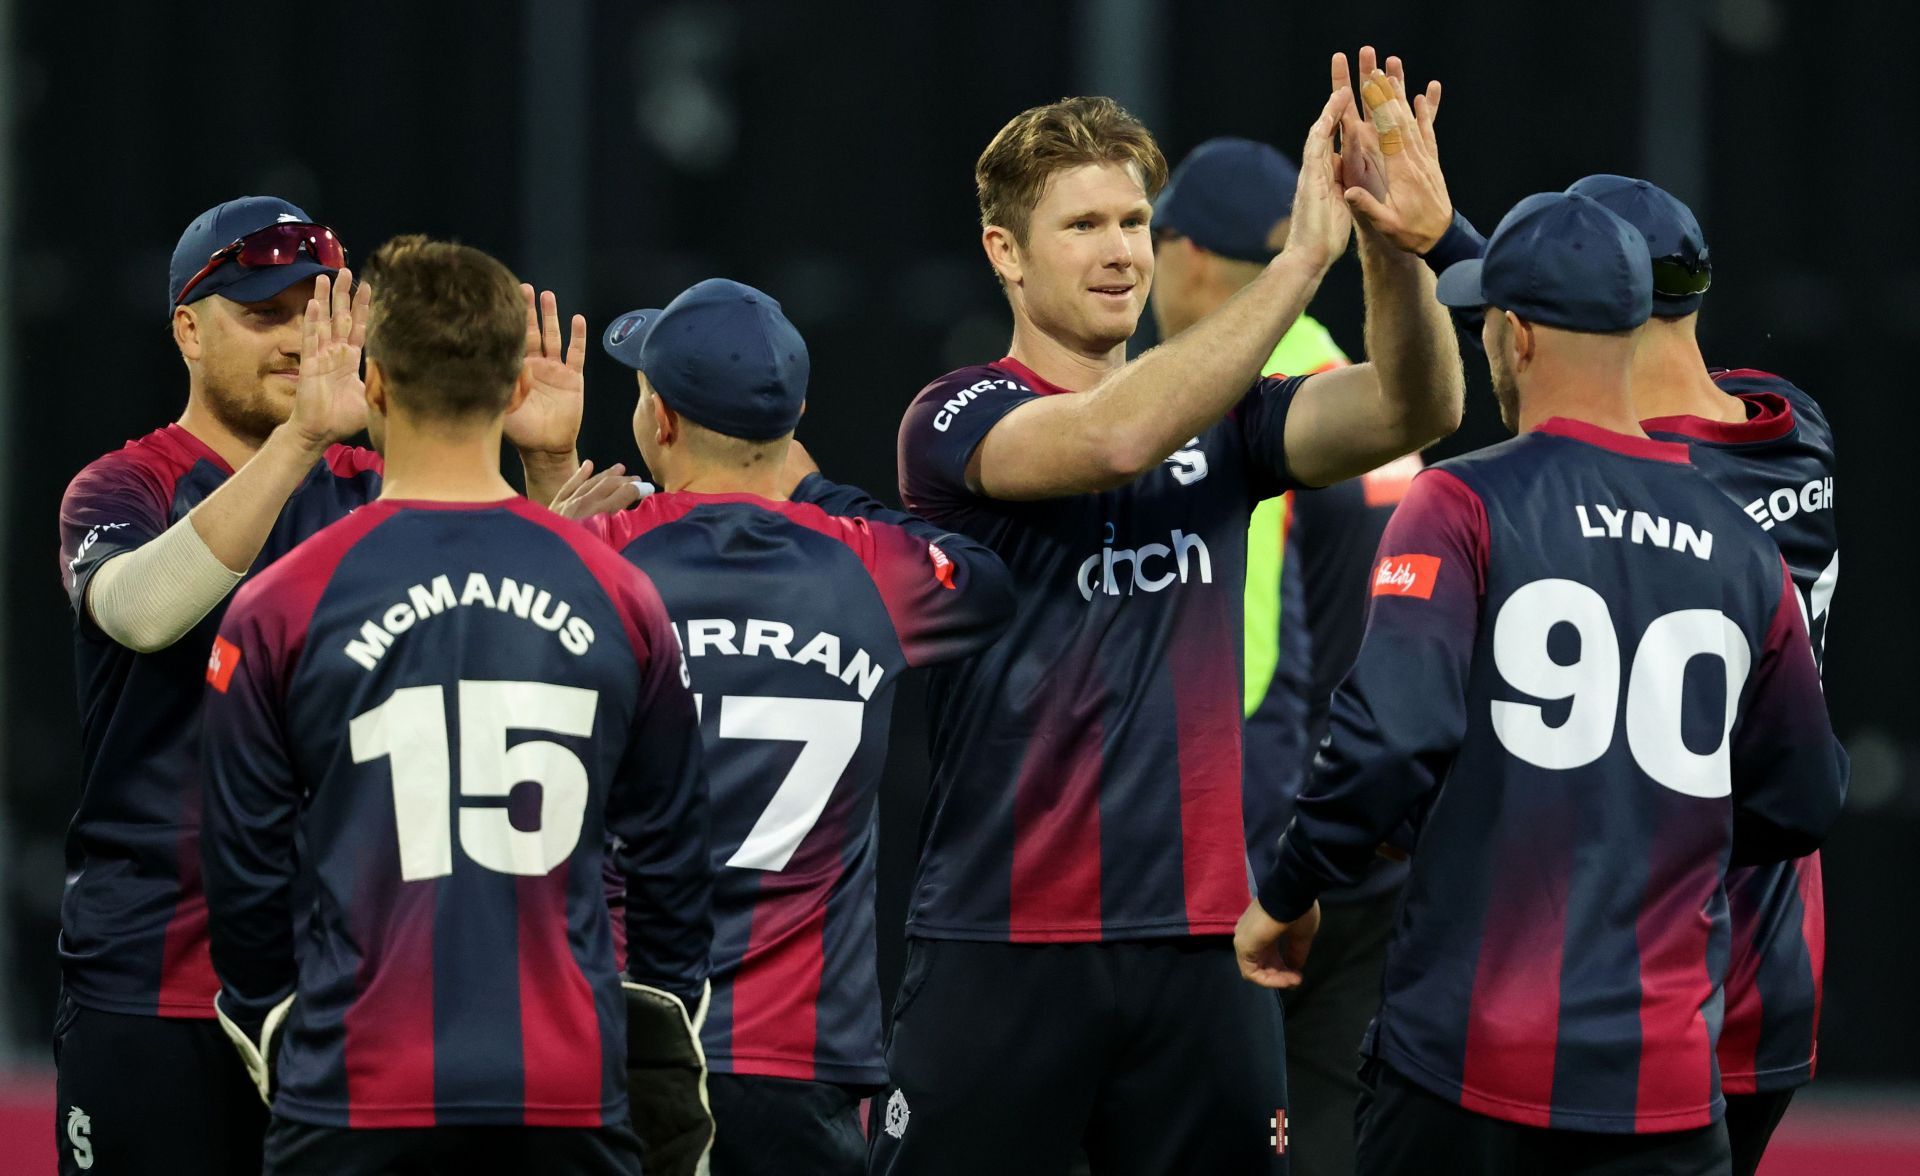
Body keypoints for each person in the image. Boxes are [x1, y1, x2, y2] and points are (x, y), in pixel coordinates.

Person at [872, 70, 1462, 1174]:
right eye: (1083, 225)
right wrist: (1297, 260)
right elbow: (1111, 440)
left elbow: (1416, 406)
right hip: (1004, 939)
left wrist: (1390, 245)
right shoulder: (956, 417)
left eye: (1136, 221)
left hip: (1202, 942)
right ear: (1005, 252)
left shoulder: (1227, 421)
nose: (1121, 251)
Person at [1233, 190, 1848, 1176]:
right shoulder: (1758, 514)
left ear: (1513, 335)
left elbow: (1388, 740)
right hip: (1676, 1058)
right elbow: (1807, 797)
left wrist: (1291, 883)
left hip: (1471, 1049)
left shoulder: (1465, 500)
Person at [52, 198, 589, 1175]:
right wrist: (297, 446)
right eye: (266, 312)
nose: (303, 336)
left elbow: (556, 629)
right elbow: (139, 613)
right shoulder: (124, 486)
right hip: (155, 980)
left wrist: (546, 463)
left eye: (319, 308)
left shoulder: (374, 487)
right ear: (187, 328)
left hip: (347, 990)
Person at [198, 236, 710, 1175]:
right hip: (567, 1092)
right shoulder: (622, 592)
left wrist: (287, 1032)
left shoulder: (281, 601)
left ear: (376, 386)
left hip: (355, 1091)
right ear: (517, 391)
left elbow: (243, 871)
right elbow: (674, 856)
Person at [557, 277, 1013, 1175]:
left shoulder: (597, 557)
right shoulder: (870, 568)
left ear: (662, 417)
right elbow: (985, 582)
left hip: (620, 1044)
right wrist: (808, 486)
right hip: (803, 1064)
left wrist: (545, 509)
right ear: (795, 412)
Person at [1151, 118, 1424, 1176]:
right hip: (1383, 825)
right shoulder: (1360, 386)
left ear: (1191, 256)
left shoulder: (1246, 410)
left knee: (1225, 1129)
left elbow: (1252, 648)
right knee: (1329, 1122)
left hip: (1279, 842)